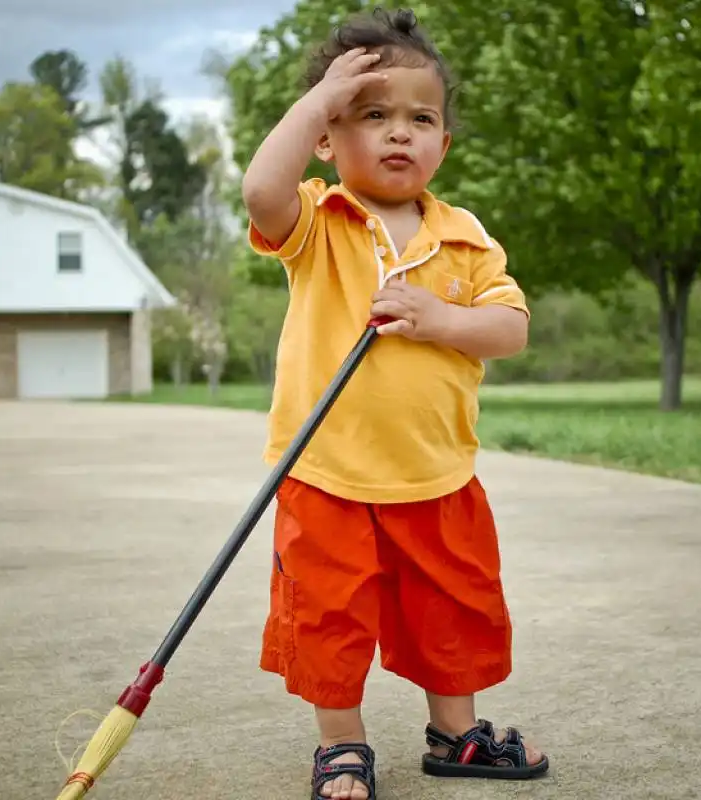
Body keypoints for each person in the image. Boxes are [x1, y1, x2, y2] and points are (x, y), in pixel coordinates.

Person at [242, 7, 548, 799]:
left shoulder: (466, 237)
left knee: (455, 614)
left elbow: (510, 327)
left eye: (421, 118)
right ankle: (342, 747)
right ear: (327, 137)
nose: (399, 133)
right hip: (327, 474)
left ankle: (457, 736)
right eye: (371, 115)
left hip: (436, 476)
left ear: (444, 144)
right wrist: (315, 99)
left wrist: (445, 320)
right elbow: (258, 190)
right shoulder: (319, 220)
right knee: (330, 619)